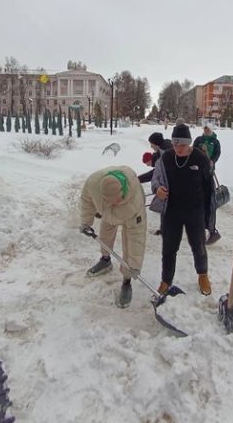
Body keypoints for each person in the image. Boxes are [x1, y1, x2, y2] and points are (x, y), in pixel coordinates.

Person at [151, 122, 214, 296]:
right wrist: (157, 190)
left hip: (195, 210)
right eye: (176, 144)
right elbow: (155, 179)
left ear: (189, 143)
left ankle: (202, 275)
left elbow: (209, 188)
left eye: (183, 145)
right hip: (171, 211)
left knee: (198, 246)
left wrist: (209, 215)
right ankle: (166, 280)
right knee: (169, 248)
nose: (179, 148)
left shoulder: (200, 159)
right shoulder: (165, 158)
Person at [80, 166, 147, 308]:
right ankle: (105, 260)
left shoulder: (135, 203)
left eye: (116, 200)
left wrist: (134, 265)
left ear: (123, 193)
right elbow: (86, 200)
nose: (114, 203)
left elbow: (137, 238)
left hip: (129, 215)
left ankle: (126, 281)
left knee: (128, 245)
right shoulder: (93, 183)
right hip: (107, 214)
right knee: (105, 236)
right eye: (109, 200)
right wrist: (86, 222)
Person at [193, 124, 222, 245]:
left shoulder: (215, 142)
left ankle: (210, 229)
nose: (206, 131)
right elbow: (193, 150)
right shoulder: (199, 140)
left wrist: (212, 160)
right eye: (204, 129)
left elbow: (217, 153)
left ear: (211, 130)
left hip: (208, 171)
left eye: (208, 129)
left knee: (208, 202)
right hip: (198, 170)